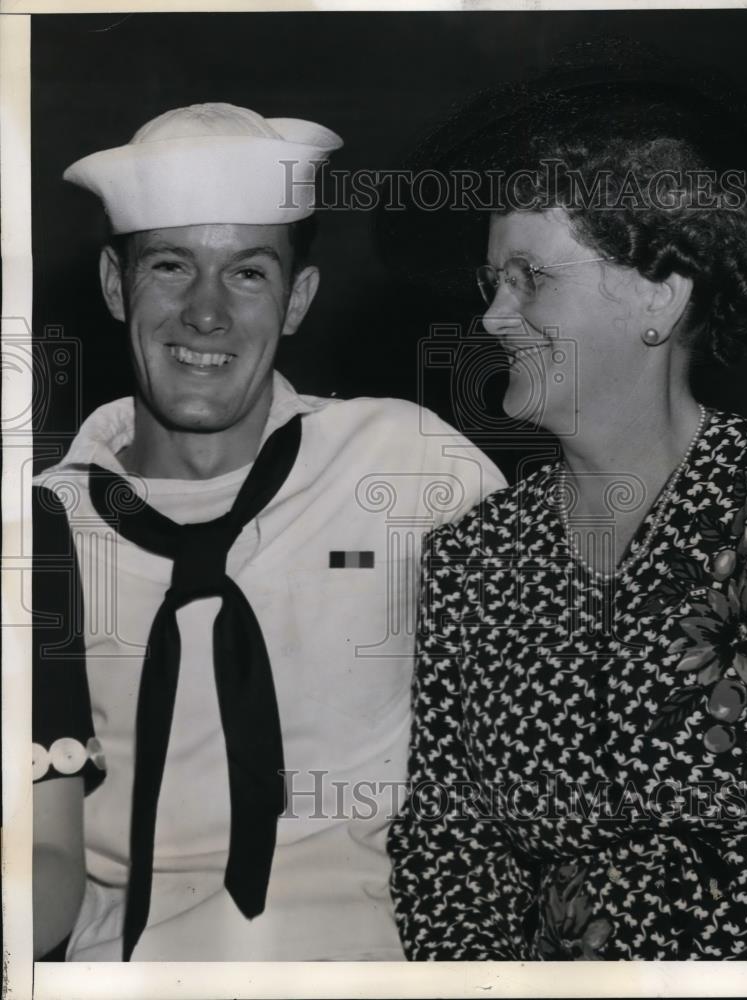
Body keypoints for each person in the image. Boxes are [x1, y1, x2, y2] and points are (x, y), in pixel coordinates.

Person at [32, 102, 505, 961]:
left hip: (371, 965)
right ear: (114, 285)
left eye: (248, 274)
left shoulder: (410, 464)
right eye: (171, 266)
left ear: (298, 301)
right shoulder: (37, 535)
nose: (206, 314)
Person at [387, 76, 747, 960]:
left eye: (531, 280)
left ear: (660, 296)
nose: (491, 315)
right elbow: (448, 852)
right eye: (492, 280)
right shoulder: (473, 559)